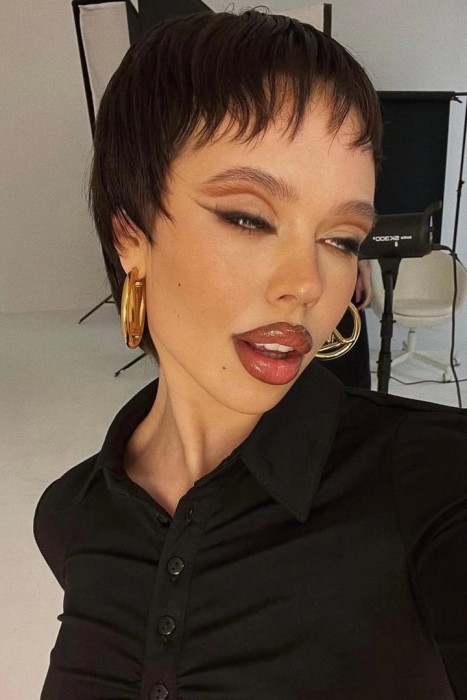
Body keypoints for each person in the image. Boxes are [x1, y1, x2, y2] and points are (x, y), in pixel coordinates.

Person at [33, 10, 467, 699]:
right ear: (129, 237)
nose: (307, 284)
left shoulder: (432, 479)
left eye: (340, 239)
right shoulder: (71, 516)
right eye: (249, 217)